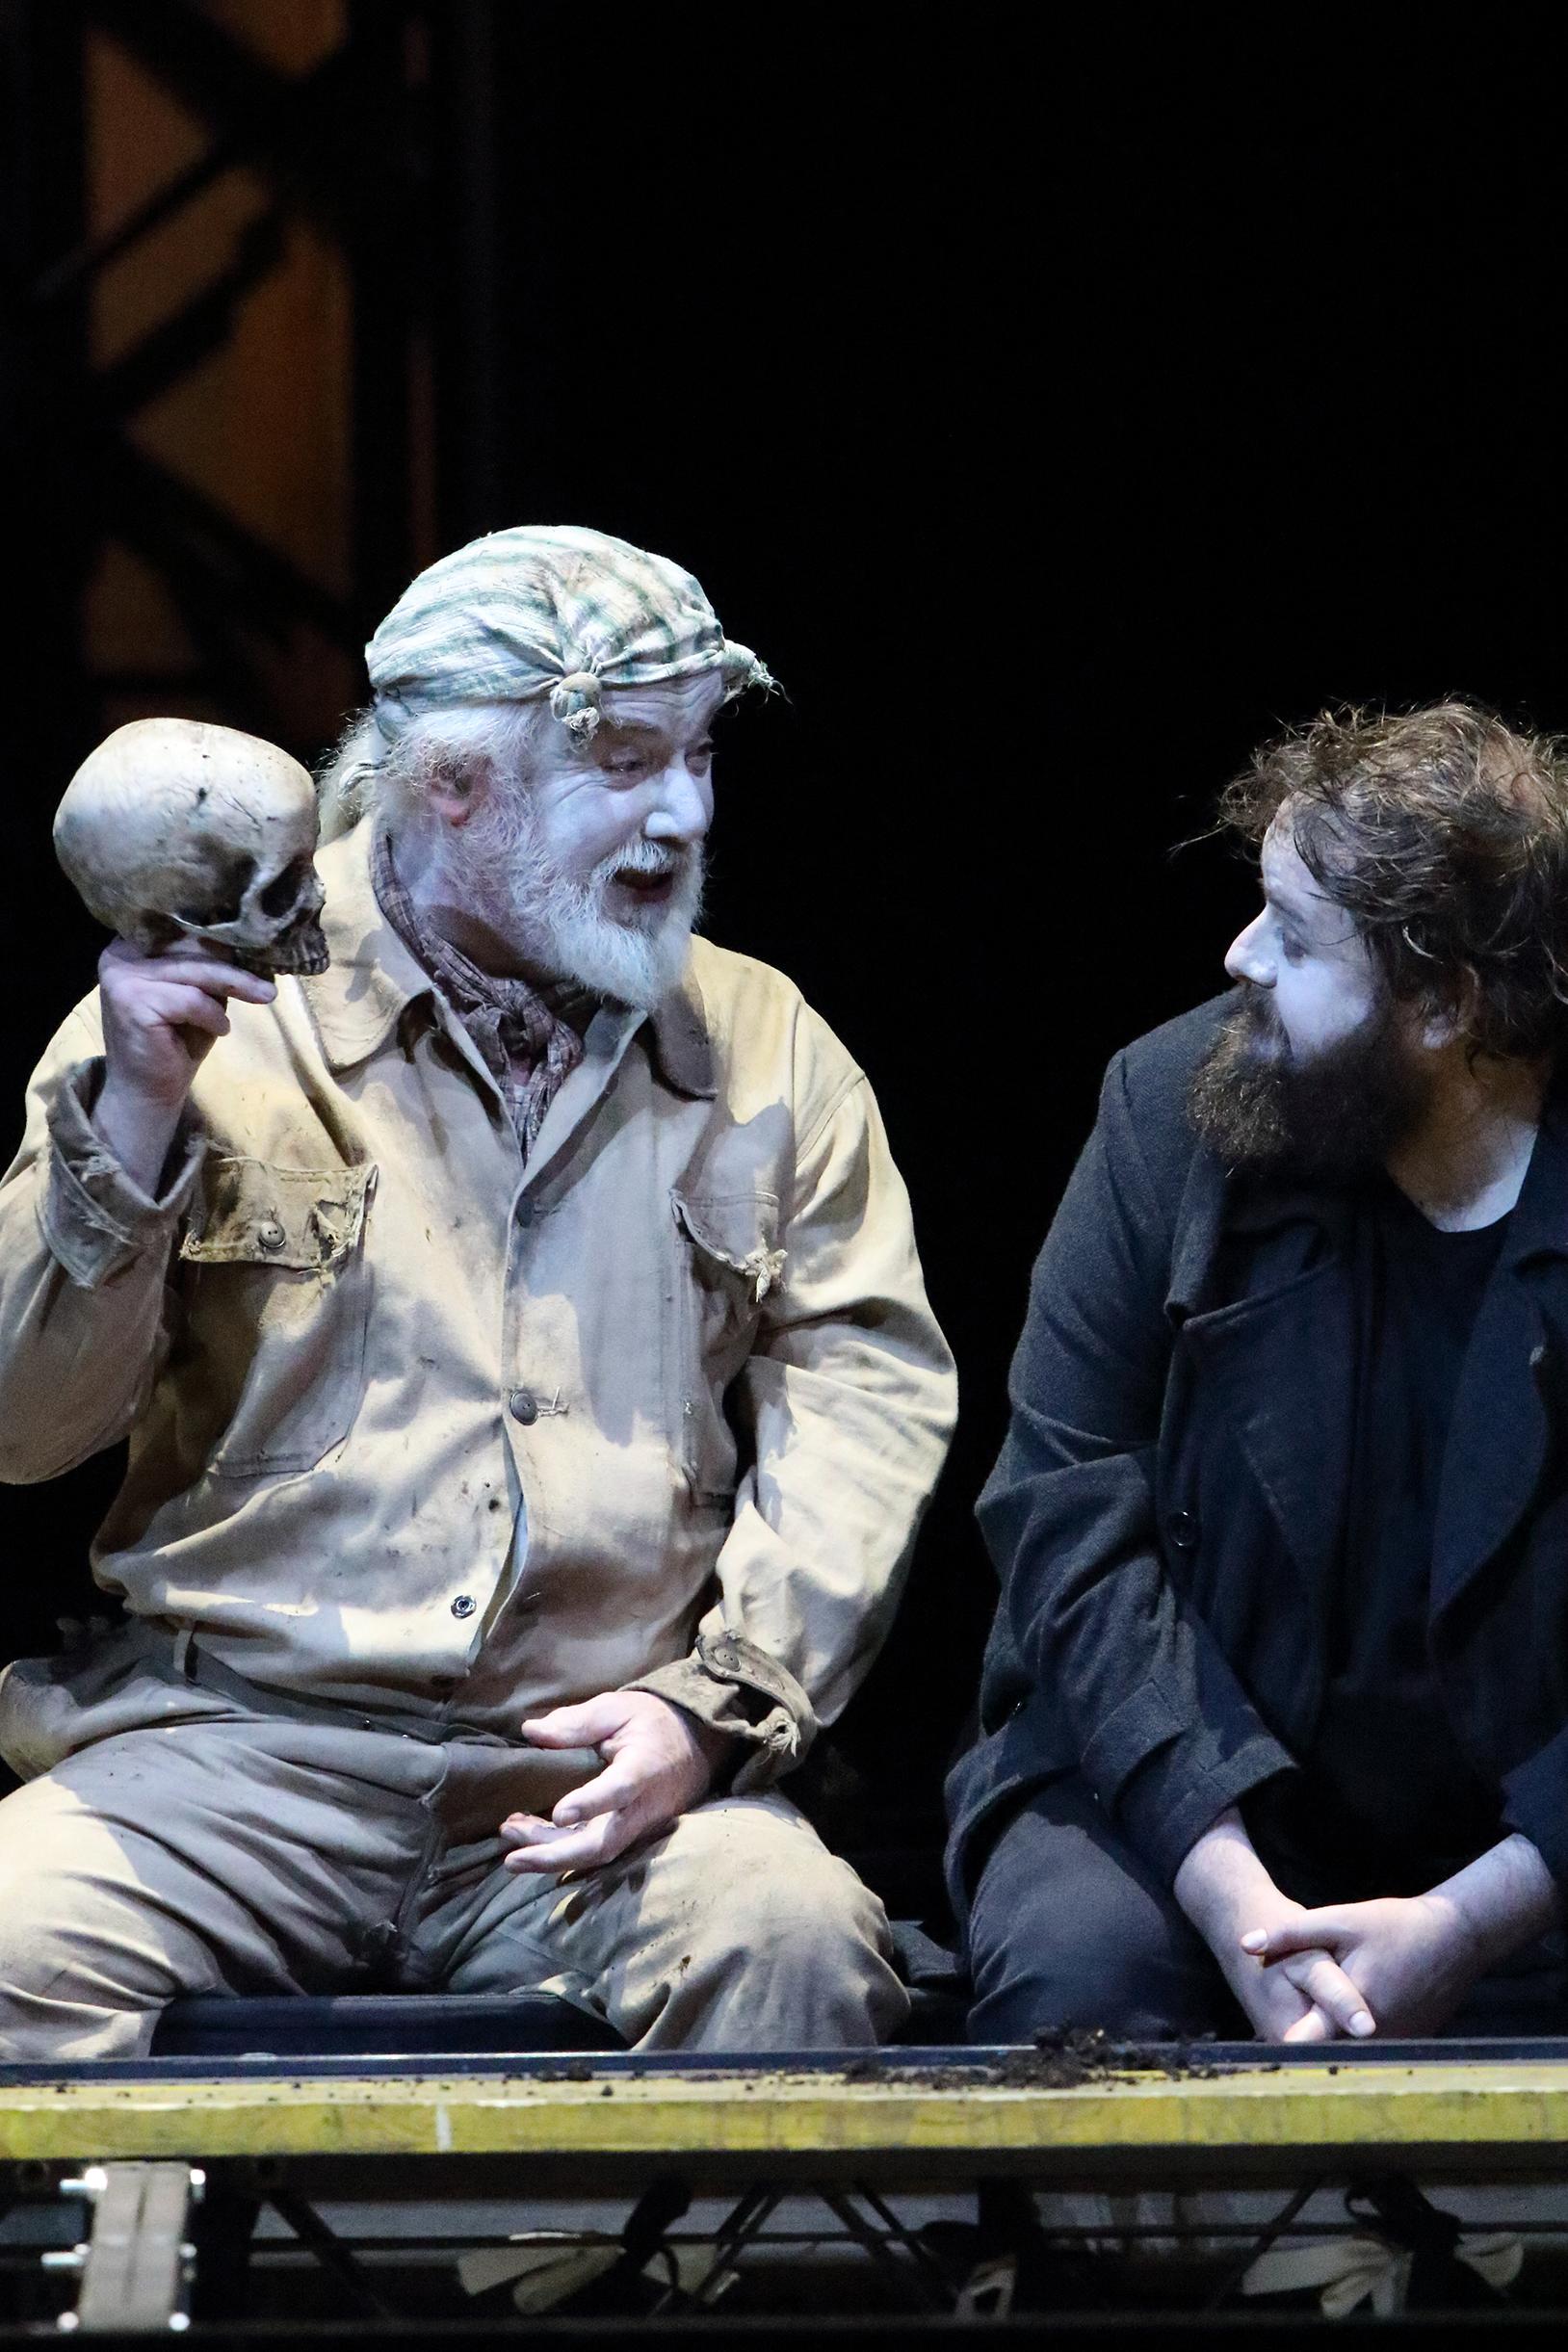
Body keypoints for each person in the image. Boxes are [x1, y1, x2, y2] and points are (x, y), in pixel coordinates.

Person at [0, 524, 955, 2058]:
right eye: (626, 759)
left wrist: (717, 1710)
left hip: (590, 1770)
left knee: (796, 1947)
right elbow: (24, 1429)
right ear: (452, 783)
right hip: (235, 1756)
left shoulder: (766, 1048)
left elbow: (867, 1396)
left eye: (699, 755)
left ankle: (572, 2297)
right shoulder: (208, 1019)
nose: (683, 813)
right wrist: (133, 1117)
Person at [950, 701, 1568, 2045]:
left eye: (1293, 937)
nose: (1239, 958)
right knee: (1084, 1983)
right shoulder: (1169, 1112)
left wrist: (1478, 1913)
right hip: (1172, 1786)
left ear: (1444, 1003)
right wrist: (1233, 1889)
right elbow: (1063, 1510)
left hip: (1522, 1833)